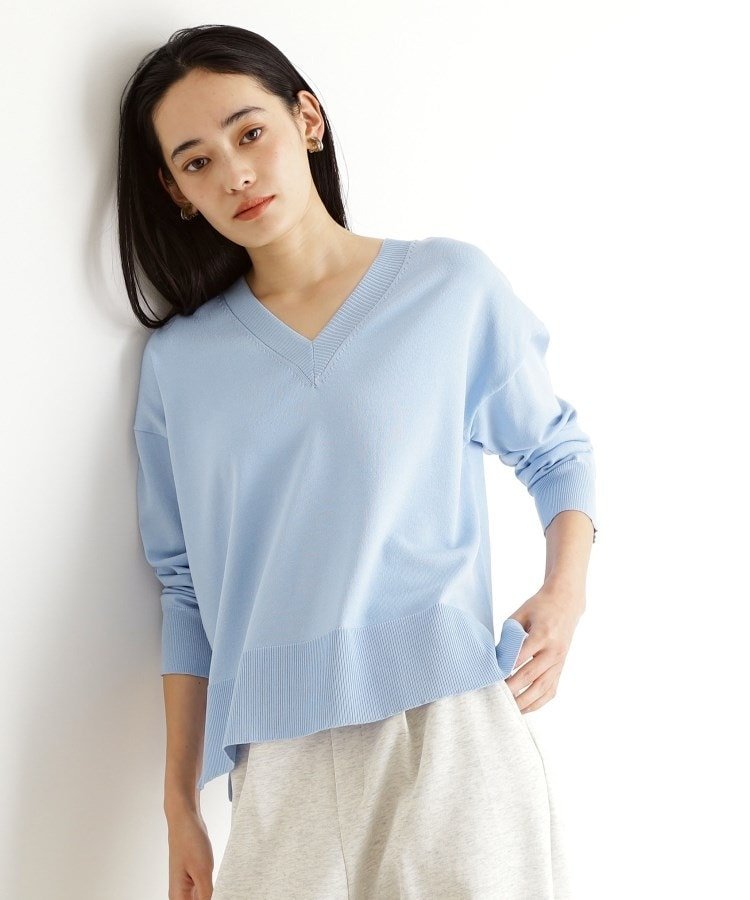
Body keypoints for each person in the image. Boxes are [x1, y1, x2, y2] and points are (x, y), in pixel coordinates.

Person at [120, 23, 598, 900]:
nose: (235, 173)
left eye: (249, 132)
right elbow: (184, 588)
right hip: (279, 764)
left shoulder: (448, 287)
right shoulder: (179, 367)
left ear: (307, 120)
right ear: (176, 191)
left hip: (451, 730)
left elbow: (555, 449)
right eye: (197, 162)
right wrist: (178, 802)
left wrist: (563, 597)